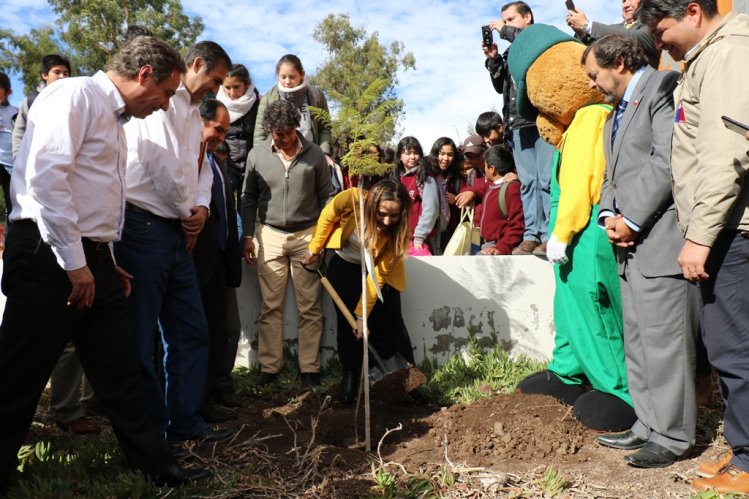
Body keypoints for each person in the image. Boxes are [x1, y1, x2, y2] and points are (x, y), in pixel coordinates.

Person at [0, 36, 208, 494]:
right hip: (45, 255)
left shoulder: (114, 117)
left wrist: (103, 259)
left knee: (121, 370)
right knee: (19, 375)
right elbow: (47, 181)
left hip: (90, 256)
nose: (163, 105)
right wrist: (76, 264)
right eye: (164, 93)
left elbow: (92, 197)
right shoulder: (73, 95)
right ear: (144, 74)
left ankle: (158, 467)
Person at [637, 0, 749, 492]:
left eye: (662, 29)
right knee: (728, 349)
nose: (659, 41)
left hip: (731, 229)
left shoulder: (729, 55)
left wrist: (700, 235)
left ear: (692, 10)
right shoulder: (706, 57)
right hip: (722, 225)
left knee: (736, 351)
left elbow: (728, 153)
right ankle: (744, 446)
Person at [583, 34, 698, 468]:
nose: (593, 84)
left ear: (619, 61)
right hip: (630, 247)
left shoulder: (663, 87)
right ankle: (648, 424)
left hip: (660, 239)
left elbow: (666, 158)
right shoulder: (616, 113)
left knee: (666, 343)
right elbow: (611, 176)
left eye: (595, 74)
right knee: (638, 339)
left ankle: (674, 436)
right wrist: (608, 216)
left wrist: (630, 219)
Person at [113, 40, 234, 444]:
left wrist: (199, 207)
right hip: (143, 227)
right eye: (215, 80)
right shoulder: (161, 102)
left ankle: (185, 421)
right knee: (143, 335)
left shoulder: (187, 108)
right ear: (197, 63)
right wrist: (189, 214)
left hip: (175, 229)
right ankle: (153, 435)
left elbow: (196, 167)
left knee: (191, 331)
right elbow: (160, 165)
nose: (215, 90)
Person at [241, 99, 334, 389]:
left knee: (310, 307)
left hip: (307, 235)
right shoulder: (256, 155)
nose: (282, 139)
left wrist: (321, 240)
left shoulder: (316, 154)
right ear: (269, 130)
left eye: (287, 133)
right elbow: (248, 198)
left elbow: (327, 197)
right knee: (270, 306)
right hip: (269, 235)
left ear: (297, 127)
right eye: (277, 134)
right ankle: (269, 367)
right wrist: (247, 235)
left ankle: (310, 369)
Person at [301, 179, 414, 403]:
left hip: (377, 274)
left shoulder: (396, 234)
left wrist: (362, 314)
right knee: (347, 323)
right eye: (382, 213)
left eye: (394, 216)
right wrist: (315, 248)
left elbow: (378, 278)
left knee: (390, 321)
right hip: (343, 265)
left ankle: (408, 380)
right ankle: (351, 376)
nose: (387, 221)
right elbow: (327, 216)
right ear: (372, 204)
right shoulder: (352, 199)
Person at [483, 1, 555, 257]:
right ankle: (531, 235)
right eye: (505, 20)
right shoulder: (511, 52)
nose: (506, 24)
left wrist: (503, 31)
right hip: (517, 125)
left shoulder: (539, 38)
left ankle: (549, 234)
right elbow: (500, 84)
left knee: (547, 180)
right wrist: (493, 60)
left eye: (511, 19)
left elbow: (529, 42)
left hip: (541, 121)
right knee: (527, 182)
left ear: (528, 17)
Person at [192, 99, 242, 423]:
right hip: (198, 260)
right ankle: (196, 401)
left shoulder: (216, 164)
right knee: (196, 333)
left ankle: (212, 393)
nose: (222, 137)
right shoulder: (192, 161)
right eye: (218, 129)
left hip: (221, 259)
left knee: (222, 329)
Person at [254, 54, 331, 156]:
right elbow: (260, 133)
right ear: (278, 75)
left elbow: (325, 127)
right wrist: (261, 158)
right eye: (283, 77)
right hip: (280, 159)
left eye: (292, 77)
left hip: (312, 157)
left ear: (302, 74)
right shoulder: (269, 98)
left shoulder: (316, 95)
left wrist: (323, 153)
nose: (287, 82)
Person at [457, 144, 524, 255]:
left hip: (498, 245)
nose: (484, 169)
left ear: (492, 169)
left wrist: (502, 247)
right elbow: (478, 190)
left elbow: (517, 225)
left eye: (485, 166)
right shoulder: (491, 185)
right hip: (486, 243)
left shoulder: (511, 188)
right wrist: (470, 192)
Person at [565, 0, 661, 69]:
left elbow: (635, 37)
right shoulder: (612, 29)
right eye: (623, 1)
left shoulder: (651, 23)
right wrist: (581, 31)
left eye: (631, 0)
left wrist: (587, 25)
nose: (626, 5)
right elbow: (595, 48)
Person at [11, 54, 71, 157]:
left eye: (65, 73)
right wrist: (18, 156)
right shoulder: (32, 100)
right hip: (36, 163)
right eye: (57, 72)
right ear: (44, 75)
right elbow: (20, 131)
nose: (62, 76)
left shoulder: (75, 99)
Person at [216, 63, 261, 198]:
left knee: (246, 206)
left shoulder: (257, 104)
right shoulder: (216, 104)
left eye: (236, 87)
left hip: (251, 165)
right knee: (222, 200)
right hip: (226, 164)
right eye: (227, 88)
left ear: (246, 84)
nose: (232, 93)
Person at [392, 136, 440, 255]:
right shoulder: (396, 178)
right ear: (399, 156)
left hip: (421, 239)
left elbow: (431, 209)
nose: (412, 157)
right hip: (400, 238)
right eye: (407, 153)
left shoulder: (425, 178)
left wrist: (419, 236)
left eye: (416, 153)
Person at [426, 137, 463, 252]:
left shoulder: (455, 176)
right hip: (428, 230)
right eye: (442, 154)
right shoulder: (426, 173)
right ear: (435, 153)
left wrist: (456, 200)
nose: (446, 158)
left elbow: (465, 191)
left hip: (448, 230)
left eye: (450, 155)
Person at [0, 72, 17, 225]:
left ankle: (9, 241)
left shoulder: (15, 112)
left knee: (12, 204)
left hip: (11, 164)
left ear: (8, 92)